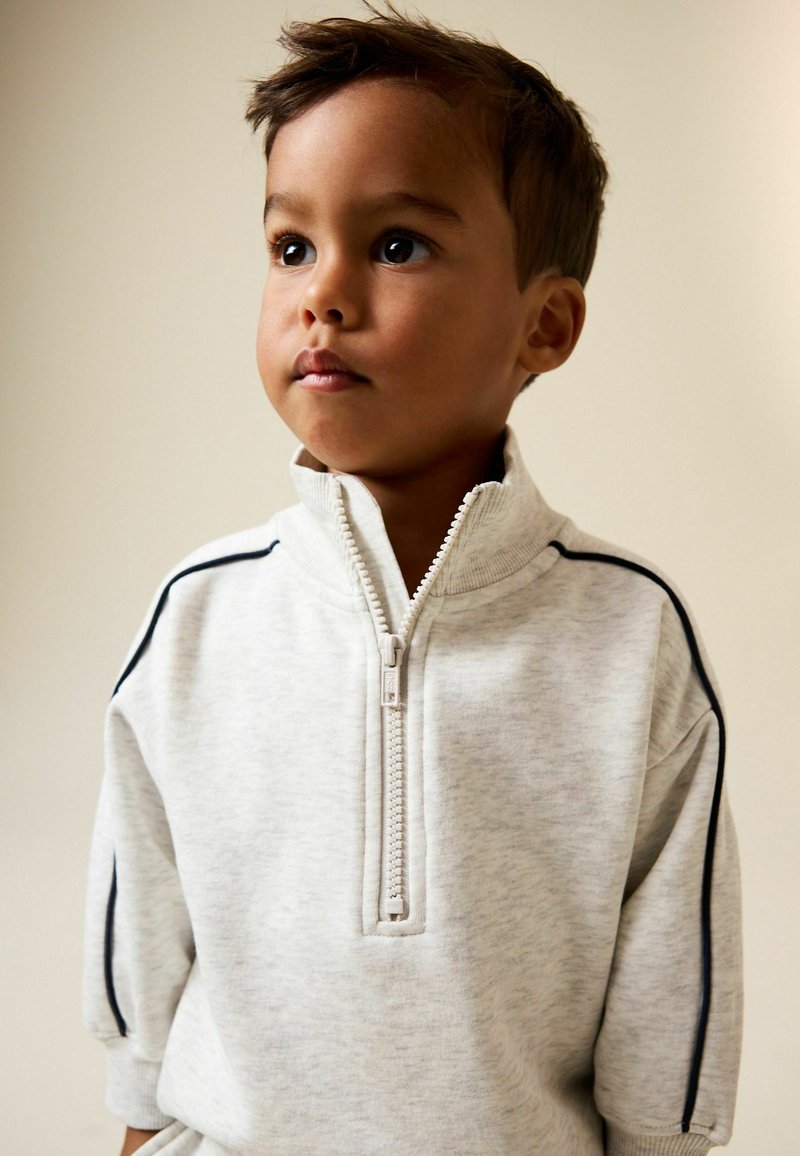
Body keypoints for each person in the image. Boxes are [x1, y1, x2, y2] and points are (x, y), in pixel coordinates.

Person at [82, 3, 743, 1153]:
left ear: (544, 325)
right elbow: (142, 1005)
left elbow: (666, 1024)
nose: (321, 294)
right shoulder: (198, 618)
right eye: (291, 246)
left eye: (395, 245)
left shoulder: (628, 635)